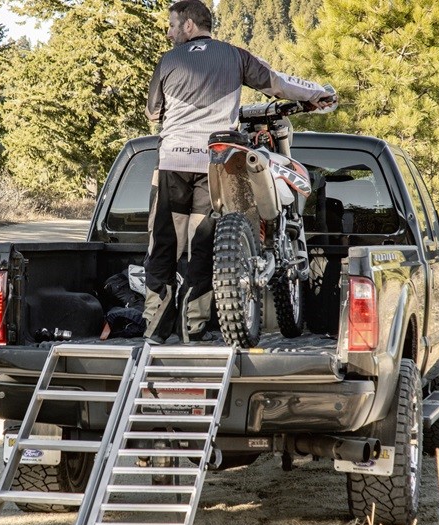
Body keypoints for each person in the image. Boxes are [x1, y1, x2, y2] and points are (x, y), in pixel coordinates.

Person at [143, 0, 335, 344]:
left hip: (172, 162)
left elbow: (153, 113)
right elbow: (277, 83)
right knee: (203, 246)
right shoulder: (235, 55)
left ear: (189, 26)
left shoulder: (169, 60)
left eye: (172, 25)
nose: (169, 32)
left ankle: (155, 329)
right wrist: (318, 94)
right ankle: (193, 327)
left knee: (164, 245)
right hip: (213, 165)